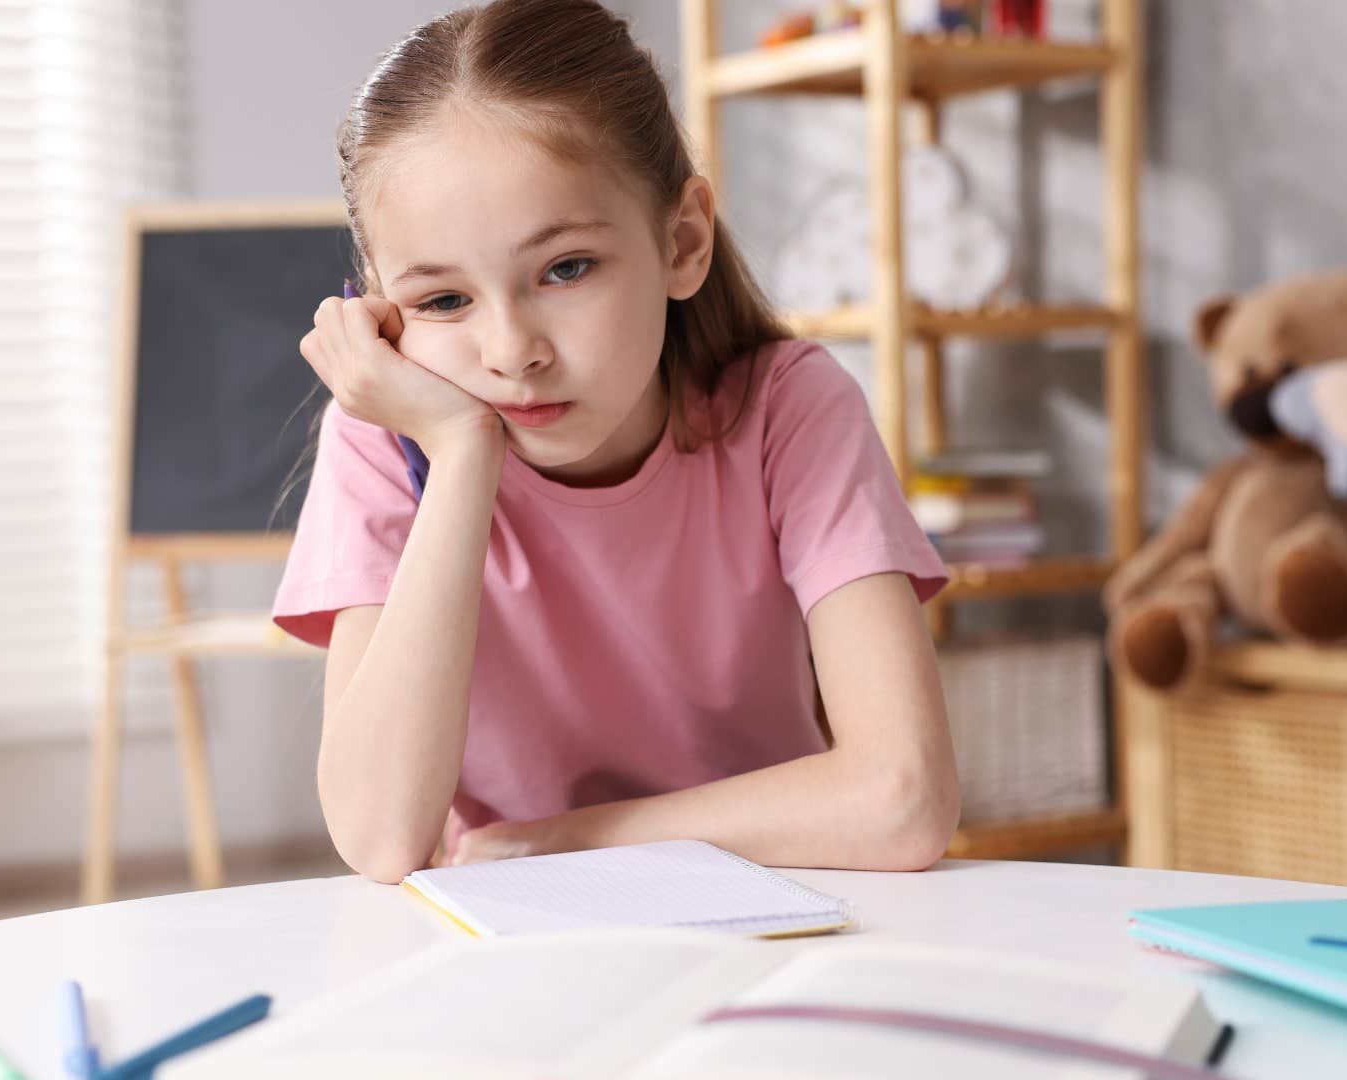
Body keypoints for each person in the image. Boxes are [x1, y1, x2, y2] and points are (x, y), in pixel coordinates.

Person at [275, 0, 957, 883]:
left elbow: (902, 801)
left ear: (682, 241)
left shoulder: (788, 407)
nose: (512, 350)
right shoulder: (389, 442)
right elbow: (379, 839)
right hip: (519, 939)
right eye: (443, 301)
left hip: (777, 900)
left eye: (565, 269)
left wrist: (565, 838)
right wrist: (463, 453)